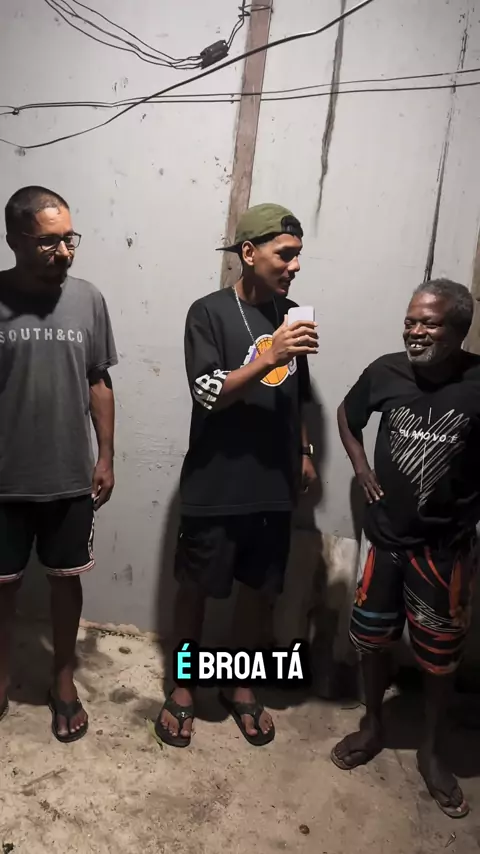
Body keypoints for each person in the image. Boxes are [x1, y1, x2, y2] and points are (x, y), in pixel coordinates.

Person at [156, 203, 319, 748]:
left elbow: (297, 391)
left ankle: (239, 684)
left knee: (259, 592)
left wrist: (303, 448)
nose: (295, 266)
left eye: (299, 255)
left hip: (272, 485)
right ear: (249, 253)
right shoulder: (207, 312)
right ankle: (183, 686)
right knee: (195, 591)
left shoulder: (290, 313)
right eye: (285, 254)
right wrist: (271, 353)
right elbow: (207, 392)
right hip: (216, 483)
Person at [331, 278, 479, 818]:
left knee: (439, 660)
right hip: (385, 543)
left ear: (458, 330)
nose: (415, 331)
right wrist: (362, 468)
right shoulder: (386, 372)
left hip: (445, 552)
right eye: (410, 321)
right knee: (371, 641)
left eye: (429, 323)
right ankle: (374, 725)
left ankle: (431, 750)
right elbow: (347, 417)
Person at [0, 186, 117, 743]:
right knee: (2, 587)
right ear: (14, 239)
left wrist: (106, 455)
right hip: (4, 479)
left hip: (70, 475)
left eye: (69, 238)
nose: (64, 251)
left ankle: (63, 680)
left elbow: (99, 379)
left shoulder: (88, 299)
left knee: (66, 584)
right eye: (49, 242)